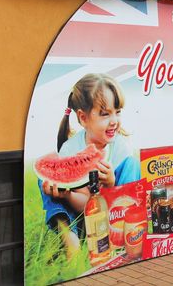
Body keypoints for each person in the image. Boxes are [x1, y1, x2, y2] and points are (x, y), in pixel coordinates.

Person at [39, 73, 140, 258]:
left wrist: (111, 185)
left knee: (132, 164)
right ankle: (68, 234)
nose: (114, 121)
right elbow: (84, 205)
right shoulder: (70, 149)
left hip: (113, 220)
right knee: (44, 179)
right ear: (83, 118)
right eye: (105, 114)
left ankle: (128, 233)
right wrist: (67, 194)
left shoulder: (121, 149)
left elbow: (114, 202)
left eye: (117, 112)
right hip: (82, 221)